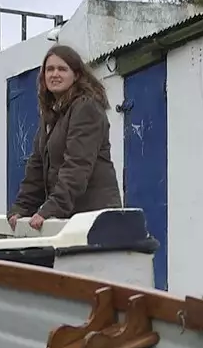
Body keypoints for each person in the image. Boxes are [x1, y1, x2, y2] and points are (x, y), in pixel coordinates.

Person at [7, 44, 122, 231]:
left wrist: (51, 209)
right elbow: (36, 168)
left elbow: (77, 166)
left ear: (76, 75)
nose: (55, 74)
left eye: (62, 69)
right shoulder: (52, 116)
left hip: (95, 220)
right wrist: (21, 208)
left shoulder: (86, 108)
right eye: (49, 69)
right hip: (70, 219)